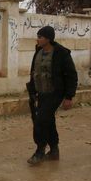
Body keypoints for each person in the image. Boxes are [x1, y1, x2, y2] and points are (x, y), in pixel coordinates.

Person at [26, 26, 78, 166]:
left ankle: (40, 151)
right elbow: (33, 72)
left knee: (41, 120)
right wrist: (32, 91)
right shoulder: (38, 52)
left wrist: (69, 97)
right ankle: (54, 150)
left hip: (55, 93)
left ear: (48, 39)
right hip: (40, 93)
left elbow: (71, 75)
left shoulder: (61, 53)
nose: (37, 39)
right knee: (47, 120)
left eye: (40, 37)